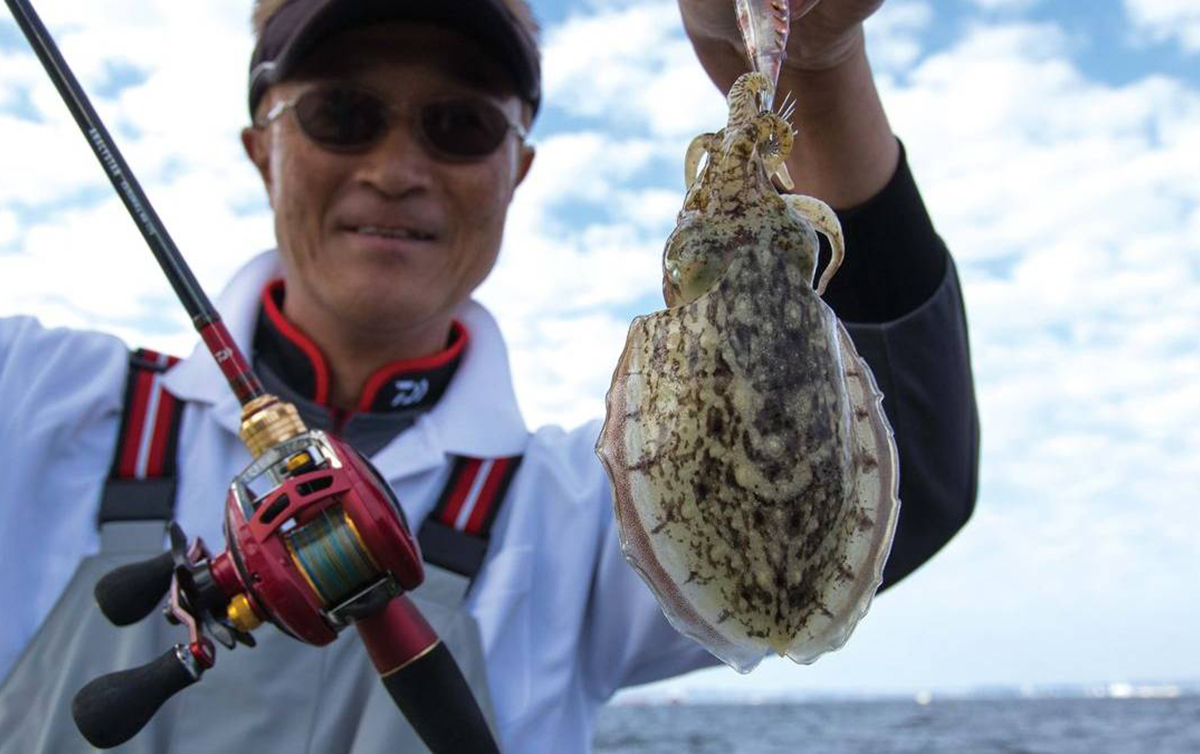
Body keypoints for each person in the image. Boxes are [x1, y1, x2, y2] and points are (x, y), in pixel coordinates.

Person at [0, 0, 978, 751]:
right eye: (343, 115)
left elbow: (912, 480)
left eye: (459, 126)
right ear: (264, 148)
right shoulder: (35, 400)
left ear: (519, 168)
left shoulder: (571, 520)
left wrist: (821, 63)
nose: (396, 166)